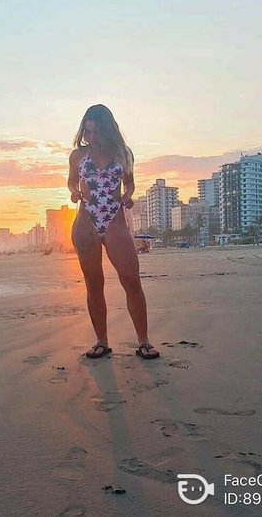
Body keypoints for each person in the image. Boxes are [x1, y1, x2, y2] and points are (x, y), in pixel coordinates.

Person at [68, 104, 159, 359]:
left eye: (96, 132)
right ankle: (101, 341)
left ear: (107, 130)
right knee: (93, 283)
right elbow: (72, 180)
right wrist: (73, 191)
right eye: (87, 132)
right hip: (85, 223)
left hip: (115, 221)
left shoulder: (123, 153)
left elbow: (129, 184)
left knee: (131, 279)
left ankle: (144, 342)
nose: (91, 137)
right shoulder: (78, 156)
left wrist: (128, 196)